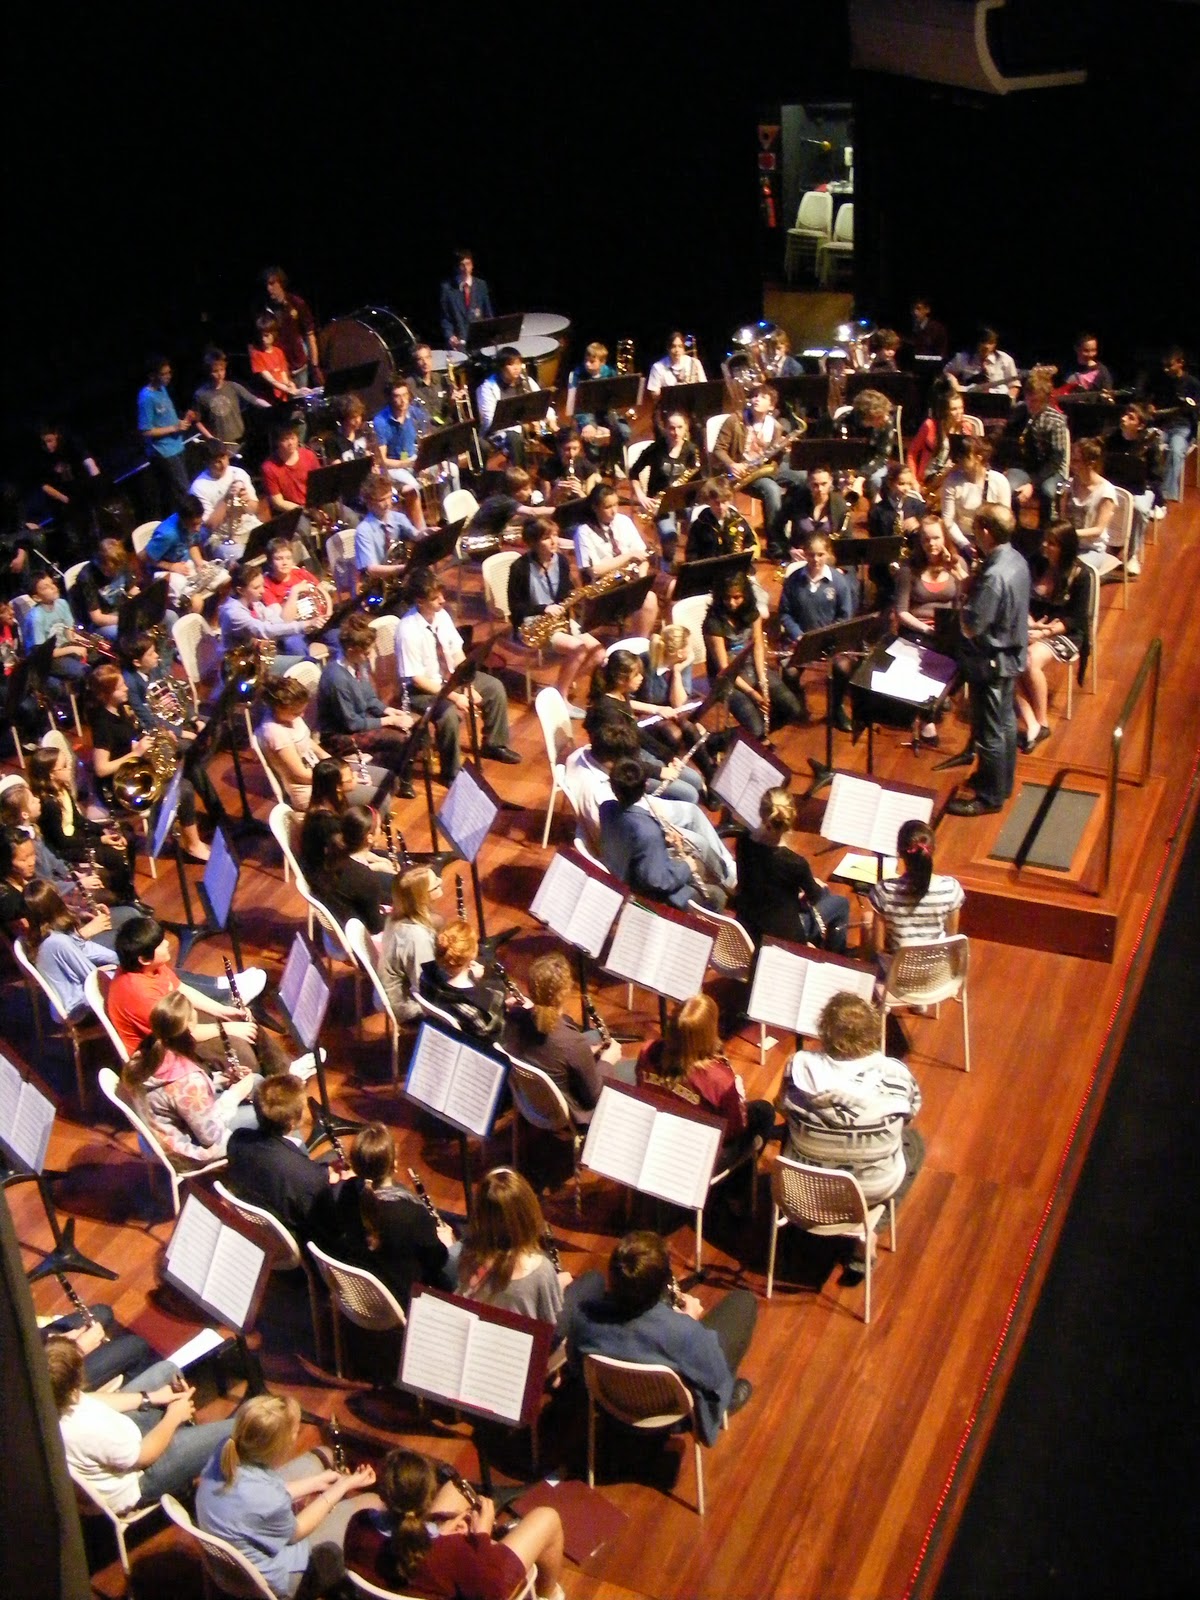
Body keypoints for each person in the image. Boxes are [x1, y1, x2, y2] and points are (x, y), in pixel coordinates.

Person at [568, 1231, 756, 1444]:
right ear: (662, 1286)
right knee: (744, 1302)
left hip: (609, 1409)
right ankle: (725, 1403)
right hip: (676, 1417)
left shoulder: (584, 1318)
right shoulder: (685, 1333)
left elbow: (575, 1366)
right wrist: (691, 1322)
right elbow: (713, 1377)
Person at [779, 993, 921, 1272]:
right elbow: (909, 1115)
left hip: (801, 1192)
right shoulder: (896, 1075)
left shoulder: (798, 1066)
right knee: (914, 1145)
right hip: (869, 1190)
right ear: (872, 1031)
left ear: (824, 1030)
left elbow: (781, 1107)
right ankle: (869, 1229)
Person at [197, 1393, 375, 1600]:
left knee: (324, 1454)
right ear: (279, 1446)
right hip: (278, 1579)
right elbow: (297, 1531)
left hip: (225, 1564)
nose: (296, 1434)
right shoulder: (267, 1500)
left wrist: (317, 1482)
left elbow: (260, 1493)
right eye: (295, 1430)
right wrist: (341, 1487)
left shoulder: (225, 1450)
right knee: (370, 1501)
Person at [48, 1336, 233, 1520]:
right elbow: (143, 1457)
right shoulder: (87, 1429)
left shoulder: (48, 1403)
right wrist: (174, 1416)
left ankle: (187, 1443)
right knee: (234, 1428)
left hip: (125, 1441)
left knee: (167, 1371)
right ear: (71, 1391)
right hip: (137, 1478)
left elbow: (91, 1400)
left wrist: (150, 1397)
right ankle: (187, 1472)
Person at [345, 1446, 566, 1600]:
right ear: (427, 1497)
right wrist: (482, 1535)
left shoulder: (358, 1525)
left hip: (419, 1581)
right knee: (547, 1518)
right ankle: (548, 1596)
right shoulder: (454, 1554)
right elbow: (492, 1592)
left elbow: (414, 1552)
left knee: (455, 1488)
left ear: (385, 1495)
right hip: (486, 1578)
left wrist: (439, 1532)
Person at [106, 913, 279, 1069]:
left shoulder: (149, 967)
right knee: (242, 1053)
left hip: (177, 1022)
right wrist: (227, 1028)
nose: (167, 943)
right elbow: (181, 1035)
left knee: (245, 1018)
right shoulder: (140, 995)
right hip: (162, 1051)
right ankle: (264, 1089)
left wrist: (224, 1011)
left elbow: (180, 988)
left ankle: (284, 1071)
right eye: (160, 943)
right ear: (143, 959)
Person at [946, 503, 1030, 817]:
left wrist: (964, 593)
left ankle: (990, 797)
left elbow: (972, 625)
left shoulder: (994, 576)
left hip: (992, 660)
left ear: (985, 532)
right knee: (1006, 723)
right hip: (1012, 655)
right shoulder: (1016, 559)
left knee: (990, 730)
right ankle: (1002, 782)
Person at [396, 568, 521, 780]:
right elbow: (417, 679)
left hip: (451, 679)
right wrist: (456, 696)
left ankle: (494, 744)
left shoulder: (441, 616)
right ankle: (450, 772)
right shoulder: (407, 630)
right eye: (435, 598)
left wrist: (467, 683)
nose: (442, 601)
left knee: (494, 688)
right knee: (448, 715)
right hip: (423, 689)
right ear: (419, 600)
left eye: (441, 595)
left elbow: (456, 653)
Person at [315, 1123, 456, 1307]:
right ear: (394, 1164)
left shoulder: (346, 1192)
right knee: (456, 1259)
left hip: (359, 1291)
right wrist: (446, 1242)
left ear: (356, 1166)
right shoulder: (411, 1212)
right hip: (399, 1298)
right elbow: (436, 1261)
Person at [86, 662, 213, 860]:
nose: (126, 687)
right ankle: (193, 845)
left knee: (183, 769)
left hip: (131, 773)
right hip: (118, 789)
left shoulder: (121, 709)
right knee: (184, 789)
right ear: (106, 694)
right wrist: (135, 753)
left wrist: (162, 735)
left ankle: (192, 828)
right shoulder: (102, 723)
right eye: (120, 687)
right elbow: (101, 769)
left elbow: (133, 738)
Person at [636, 994, 775, 1172]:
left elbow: (641, 1088)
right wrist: (737, 1097)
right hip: (695, 1157)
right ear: (710, 1032)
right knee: (764, 1111)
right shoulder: (719, 1079)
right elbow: (734, 1131)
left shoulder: (647, 1050)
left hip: (657, 1138)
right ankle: (737, 1188)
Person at [120, 990, 260, 1166]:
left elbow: (176, 1098)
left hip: (168, 1129)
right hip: (188, 1152)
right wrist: (234, 1095)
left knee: (256, 1081)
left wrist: (221, 1079)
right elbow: (210, 1136)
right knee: (270, 1112)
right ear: (190, 1029)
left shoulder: (146, 1053)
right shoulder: (188, 1081)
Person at [458, 1167, 595, 1336]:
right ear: (529, 1214)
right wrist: (556, 1286)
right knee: (594, 1280)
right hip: (526, 1351)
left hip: (481, 1335)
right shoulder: (541, 1270)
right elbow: (548, 1325)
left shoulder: (467, 1253)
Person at [502, 951, 634, 1122]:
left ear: (529, 988)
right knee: (632, 1069)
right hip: (569, 1113)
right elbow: (594, 1097)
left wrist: (585, 1055)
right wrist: (607, 1061)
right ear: (566, 991)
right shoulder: (572, 1043)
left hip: (530, 1104)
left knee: (592, 1037)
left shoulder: (513, 1018)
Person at [598, 758, 731, 912]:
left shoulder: (606, 807)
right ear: (646, 785)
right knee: (718, 895)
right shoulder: (648, 832)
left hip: (622, 867)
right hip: (645, 892)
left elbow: (632, 841)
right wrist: (687, 865)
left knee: (699, 866)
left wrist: (664, 839)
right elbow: (658, 881)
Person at [225, 1076, 342, 1241]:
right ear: (292, 1123)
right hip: (293, 1237)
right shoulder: (311, 1178)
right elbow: (327, 1228)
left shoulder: (237, 1139)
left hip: (260, 1220)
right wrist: (335, 1181)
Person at [506, 522, 605, 714]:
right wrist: (544, 608)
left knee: (599, 652)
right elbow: (515, 608)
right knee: (578, 649)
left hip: (560, 620)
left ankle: (563, 684)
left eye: (555, 535)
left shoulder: (560, 561)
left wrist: (578, 597)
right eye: (546, 537)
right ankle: (561, 696)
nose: (554, 541)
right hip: (532, 623)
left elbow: (565, 594)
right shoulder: (519, 568)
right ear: (533, 542)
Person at [584, 648, 704, 805]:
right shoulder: (608, 714)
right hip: (625, 771)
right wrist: (659, 771)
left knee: (694, 779)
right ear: (621, 679)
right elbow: (620, 760)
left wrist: (668, 756)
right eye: (636, 675)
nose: (641, 678)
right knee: (690, 795)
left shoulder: (621, 696)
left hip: (634, 756)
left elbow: (636, 733)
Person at [736, 787, 850, 952]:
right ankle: (834, 957)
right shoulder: (795, 863)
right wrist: (811, 886)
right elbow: (815, 896)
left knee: (823, 894)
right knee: (840, 903)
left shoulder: (744, 841)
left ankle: (816, 945)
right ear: (791, 818)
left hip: (749, 925)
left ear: (761, 813)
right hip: (783, 935)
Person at [1014, 521, 1091, 751]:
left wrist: (1044, 631)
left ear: (1065, 547)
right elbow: (1021, 596)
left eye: (1052, 543)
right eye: (1046, 540)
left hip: (1063, 633)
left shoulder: (1080, 574)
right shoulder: (1035, 563)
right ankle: (1032, 724)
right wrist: (1029, 622)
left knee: (1028, 658)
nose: (1045, 546)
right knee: (1007, 659)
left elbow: (1075, 619)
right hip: (1033, 626)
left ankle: (1042, 721)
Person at [26, 744, 137, 901]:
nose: (69, 768)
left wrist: (102, 831)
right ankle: (124, 898)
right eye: (64, 767)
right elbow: (63, 842)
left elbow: (78, 820)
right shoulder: (49, 804)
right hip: (68, 849)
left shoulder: (62, 788)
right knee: (116, 858)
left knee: (127, 834)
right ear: (51, 775)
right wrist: (100, 840)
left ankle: (130, 890)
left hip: (78, 838)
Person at [258, 677, 385, 811]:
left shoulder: (289, 717)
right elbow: (299, 775)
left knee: (389, 780)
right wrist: (342, 781)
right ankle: (368, 828)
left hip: (326, 776)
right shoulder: (274, 733)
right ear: (278, 708)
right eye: (296, 712)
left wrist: (338, 764)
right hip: (312, 792)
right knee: (382, 800)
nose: (301, 715)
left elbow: (308, 741)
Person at [703, 570, 804, 738]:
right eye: (726, 598)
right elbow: (724, 668)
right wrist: (753, 693)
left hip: (750, 666)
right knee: (755, 730)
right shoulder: (713, 622)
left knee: (792, 708)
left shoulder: (752, 613)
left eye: (737, 597)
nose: (731, 603)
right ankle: (728, 741)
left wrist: (763, 680)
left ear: (746, 595)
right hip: (726, 679)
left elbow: (757, 646)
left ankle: (758, 739)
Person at [316, 613, 415, 785]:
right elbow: (351, 724)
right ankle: (388, 782)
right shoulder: (336, 679)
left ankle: (392, 777)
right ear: (351, 650)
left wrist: (387, 711)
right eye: (366, 652)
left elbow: (369, 698)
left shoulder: (358, 663)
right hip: (340, 735)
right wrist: (390, 721)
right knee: (399, 739)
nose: (370, 656)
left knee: (410, 731)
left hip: (359, 721)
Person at [709, 384, 801, 549]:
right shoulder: (735, 420)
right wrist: (732, 464)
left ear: (771, 406)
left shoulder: (775, 427)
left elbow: (775, 457)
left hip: (765, 468)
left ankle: (792, 528)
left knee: (802, 478)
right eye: (754, 396)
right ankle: (776, 545)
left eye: (763, 397)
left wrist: (785, 449)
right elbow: (718, 449)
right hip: (742, 472)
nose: (757, 399)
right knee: (772, 489)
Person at [869, 819, 964, 962]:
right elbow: (951, 941)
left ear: (899, 853)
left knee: (866, 920)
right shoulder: (951, 889)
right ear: (933, 849)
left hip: (899, 977)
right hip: (937, 974)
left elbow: (878, 948)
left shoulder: (884, 891)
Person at [419, 920, 508, 1043]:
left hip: (441, 1029)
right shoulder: (478, 1009)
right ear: (472, 955)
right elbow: (492, 1038)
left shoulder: (425, 975)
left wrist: (471, 977)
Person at [1004, 370, 1072, 532]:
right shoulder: (1021, 412)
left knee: (1047, 492)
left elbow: (1055, 460)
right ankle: (1015, 530)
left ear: (1046, 400)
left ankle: (1045, 532)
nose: (1031, 405)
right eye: (1028, 399)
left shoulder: (1055, 421)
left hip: (1050, 470)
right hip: (1027, 466)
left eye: (1036, 401)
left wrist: (1032, 484)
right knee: (1007, 487)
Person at [218, 562, 317, 673]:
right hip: (242, 666)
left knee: (294, 642)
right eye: (256, 587)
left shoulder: (254, 602)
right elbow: (264, 630)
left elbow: (276, 621)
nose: (263, 591)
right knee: (306, 663)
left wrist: (297, 620)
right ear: (240, 590)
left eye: (262, 585)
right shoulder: (233, 613)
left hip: (258, 656)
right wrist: (305, 624)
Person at [629, 409, 700, 562]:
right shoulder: (655, 449)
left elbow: (698, 479)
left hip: (685, 500)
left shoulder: (691, 450)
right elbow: (633, 473)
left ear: (686, 427)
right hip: (659, 502)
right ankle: (668, 564)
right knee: (669, 535)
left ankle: (694, 561)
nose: (676, 432)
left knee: (701, 524)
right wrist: (641, 496)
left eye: (680, 428)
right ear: (665, 428)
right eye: (671, 428)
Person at [1103, 402, 1165, 574]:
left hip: (1142, 489)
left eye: (1130, 418)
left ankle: (1131, 555)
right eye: (1125, 415)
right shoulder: (1112, 438)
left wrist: (1144, 484)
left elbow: (1156, 477)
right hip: (1116, 485)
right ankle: (1107, 545)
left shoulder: (1150, 444)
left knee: (1138, 508)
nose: (1123, 419)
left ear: (1140, 425)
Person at [379, 867, 445, 1022]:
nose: (441, 881)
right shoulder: (417, 938)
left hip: (400, 989)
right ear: (422, 897)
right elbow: (426, 988)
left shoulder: (396, 916)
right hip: (408, 1008)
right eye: (435, 884)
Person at [144, 495, 229, 610]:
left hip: (185, 564)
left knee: (226, 579)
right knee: (195, 602)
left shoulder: (193, 523)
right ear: (183, 519)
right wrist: (171, 566)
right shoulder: (167, 534)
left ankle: (215, 619)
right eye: (195, 524)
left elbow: (192, 544)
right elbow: (145, 557)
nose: (198, 528)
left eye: (199, 523)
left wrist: (199, 563)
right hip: (164, 571)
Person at [1139, 346, 1199, 505]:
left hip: (1183, 427)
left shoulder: (1192, 383)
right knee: (1145, 443)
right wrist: (1150, 406)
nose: (1166, 369)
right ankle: (1145, 485)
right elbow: (1147, 399)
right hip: (1162, 426)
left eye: (1169, 365)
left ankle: (1165, 495)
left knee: (1176, 449)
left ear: (1181, 363)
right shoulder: (1161, 381)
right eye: (1164, 366)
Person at [137, 356, 195, 513]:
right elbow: (146, 431)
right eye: (163, 374)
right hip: (164, 451)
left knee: (181, 490)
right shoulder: (146, 398)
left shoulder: (162, 389)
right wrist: (175, 428)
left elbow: (166, 418)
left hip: (176, 446)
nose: (168, 376)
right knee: (183, 490)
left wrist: (183, 421)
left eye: (169, 372)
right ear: (152, 376)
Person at [190, 439, 261, 561]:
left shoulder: (239, 473)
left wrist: (246, 501)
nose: (223, 464)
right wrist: (227, 498)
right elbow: (210, 525)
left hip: (250, 527)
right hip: (220, 538)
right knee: (242, 557)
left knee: (281, 543)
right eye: (217, 461)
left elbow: (254, 509)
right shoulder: (198, 487)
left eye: (224, 458)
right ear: (207, 463)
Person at [940, 435, 1011, 555]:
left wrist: (989, 544)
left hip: (992, 542)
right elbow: (948, 521)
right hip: (962, 541)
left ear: (979, 457)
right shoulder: (952, 481)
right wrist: (964, 544)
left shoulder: (999, 481)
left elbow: (1005, 520)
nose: (959, 460)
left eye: (964, 457)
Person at [476, 348, 547, 467]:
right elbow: (490, 421)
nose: (516, 368)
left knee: (558, 435)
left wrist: (546, 420)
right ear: (501, 367)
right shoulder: (488, 388)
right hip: (499, 434)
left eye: (519, 363)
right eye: (511, 364)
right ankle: (520, 479)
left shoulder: (527, 381)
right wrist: (524, 427)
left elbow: (542, 403)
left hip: (530, 428)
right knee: (514, 438)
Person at [193, 346, 271, 449]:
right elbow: (197, 421)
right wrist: (211, 438)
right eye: (215, 371)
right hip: (220, 444)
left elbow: (255, 400)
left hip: (239, 441)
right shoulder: (201, 394)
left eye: (222, 370)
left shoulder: (233, 387)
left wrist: (271, 409)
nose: (220, 374)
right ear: (209, 372)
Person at [371, 382, 425, 524]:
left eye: (405, 395)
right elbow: (383, 460)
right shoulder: (381, 421)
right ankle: (421, 530)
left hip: (413, 458)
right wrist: (406, 463)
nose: (402, 401)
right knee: (413, 486)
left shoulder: (415, 413)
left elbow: (425, 439)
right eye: (397, 396)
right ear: (390, 398)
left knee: (451, 471)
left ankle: (447, 518)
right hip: (393, 466)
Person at [775, 462, 851, 561]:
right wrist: (789, 549)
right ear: (808, 483)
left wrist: (841, 568)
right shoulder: (796, 500)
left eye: (824, 484)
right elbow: (776, 527)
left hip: (830, 561)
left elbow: (848, 539)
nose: (820, 489)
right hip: (801, 559)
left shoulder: (840, 504)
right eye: (815, 485)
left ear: (831, 481)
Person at [354, 470, 418, 587]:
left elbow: (416, 535)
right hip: (377, 585)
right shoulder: (363, 530)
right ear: (369, 503)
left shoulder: (398, 517)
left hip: (396, 578)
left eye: (389, 497)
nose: (387, 503)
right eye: (382, 500)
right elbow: (372, 569)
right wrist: (403, 568)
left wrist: (427, 533)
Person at [70, 537, 139, 644]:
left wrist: (142, 604)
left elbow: (132, 590)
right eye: (110, 571)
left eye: (117, 570)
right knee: (128, 634)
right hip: (102, 624)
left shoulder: (121, 562)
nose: (115, 573)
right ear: (99, 563)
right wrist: (126, 620)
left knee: (168, 616)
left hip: (123, 612)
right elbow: (97, 618)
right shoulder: (87, 578)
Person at [262, 267, 321, 389]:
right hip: (279, 369)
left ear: (281, 283)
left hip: (299, 365)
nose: (269, 289)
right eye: (266, 285)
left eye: (272, 284)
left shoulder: (296, 303)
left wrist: (314, 365)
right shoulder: (264, 309)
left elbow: (309, 335)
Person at [1061, 437, 1118, 554]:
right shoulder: (1068, 485)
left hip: (1091, 549)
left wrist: (1069, 534)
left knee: (1072, 571)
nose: (1071, 464)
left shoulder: (1106, 491)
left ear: (1091, 464)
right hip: (1068, 545)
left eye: (1076, 461)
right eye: (1071, 460)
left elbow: (1098, 530)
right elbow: (1063, 519)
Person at [262, 424, 321, 524]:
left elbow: (320, 483)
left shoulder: (309, 455)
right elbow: (278, 502)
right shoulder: (269, 467)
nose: (290, 443)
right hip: (292, 511)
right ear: (277, 443)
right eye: (285, 440)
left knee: (349, 517)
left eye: (293, 438)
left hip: (315, 504)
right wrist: (306, 511)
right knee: (303, 528)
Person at [907, 389, 966, 487]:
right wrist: (913, 480)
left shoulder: (966, 428)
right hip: (932, 475)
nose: (959, 412)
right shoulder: (930, 426)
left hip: (955, 475)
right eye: (954, 409)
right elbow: (912, 453)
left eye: (961, 408)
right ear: (945, 411)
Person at [439, 248, 495, 349]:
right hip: (459, 344)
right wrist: (450, 336)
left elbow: (487, 314)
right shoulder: (447, 288)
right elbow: (445, 317)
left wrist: (490, 335)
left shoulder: (481, 285)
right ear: (456, 267)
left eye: (468, 264)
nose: (465, 268)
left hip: (479, 343)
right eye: (462, 265)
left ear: (472, 265)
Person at [944, 326, 1020, 398]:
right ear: (977, 342)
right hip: (971, 397)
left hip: (997, 399)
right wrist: (955, 384)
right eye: (983, 342)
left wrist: (1009, 401)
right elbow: (946, 372)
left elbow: (1014, 385)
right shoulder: (963, 358)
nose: (986, 346)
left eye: (990, 343)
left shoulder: (1005, 359)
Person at [1055, 332, 1115, 397]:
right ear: (1076, 349)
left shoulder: (1102, 370)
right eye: (1086, 351)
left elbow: (1109, 395)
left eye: (1093, 350)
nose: (1090, 354)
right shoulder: (1067, 366)